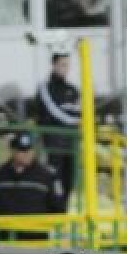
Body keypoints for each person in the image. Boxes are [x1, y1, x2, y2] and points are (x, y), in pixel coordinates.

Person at [0, 132, 64, 242]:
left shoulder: (47, 175)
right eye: (22, 150)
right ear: (13, 151)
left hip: (37, 238)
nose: (26, 154)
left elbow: (57, 205)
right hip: (8, 237)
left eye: (29, 150)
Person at [33, 51, 80, 210]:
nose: (65, 68)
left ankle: (62, 215)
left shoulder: (73, 90)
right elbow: (55, 112)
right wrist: (74, 120)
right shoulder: (45, 88)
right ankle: (52, 213)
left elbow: (80, 113)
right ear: (54, 65)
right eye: (62, 64)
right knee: (54, 180)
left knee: (69, 181)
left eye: (67, 65)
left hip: (71, 145)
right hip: (54, 144)